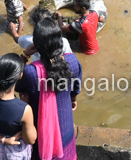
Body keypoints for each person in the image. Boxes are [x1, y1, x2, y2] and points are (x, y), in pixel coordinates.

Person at [15, 18, 82, 160]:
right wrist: (73, 98)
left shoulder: (31, 72)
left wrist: (24, 56)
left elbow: (14, 83)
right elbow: (76, 86)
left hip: (40, 125)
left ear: (37, 45)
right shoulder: (72, 61)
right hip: (66, 122)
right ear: (60, 42)